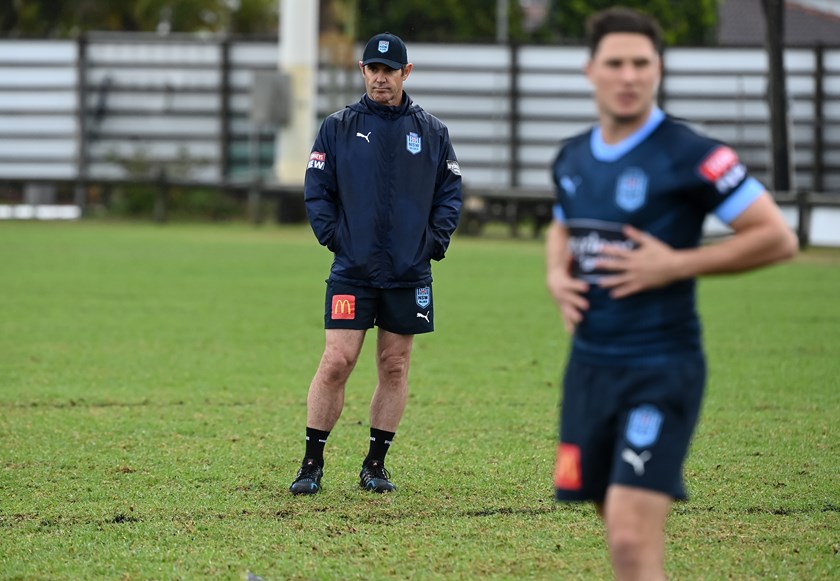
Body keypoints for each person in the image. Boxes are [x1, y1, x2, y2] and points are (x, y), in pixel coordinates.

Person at [546, 7, 797, 580]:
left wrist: (675, 264)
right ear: (590, 71)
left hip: (660, 366)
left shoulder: (690, 153)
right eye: (616, 63)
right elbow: (563, 225)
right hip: (589, 368)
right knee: (618, 531)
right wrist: (555, 275)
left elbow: (777, 237)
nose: (629, 76)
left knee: (629, 538)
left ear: (658, 69)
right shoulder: (572, 157)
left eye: (642, 63)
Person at [291, 32, 462, 495]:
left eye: (389, 70)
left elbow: (449, 193)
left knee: (394, 365)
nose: (380, 78)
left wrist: (432, 243)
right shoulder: (338, 127)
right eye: (373, 69)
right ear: (362, 71)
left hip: (409, 271)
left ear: (406, 73)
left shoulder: (432, 131)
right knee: (337, 360)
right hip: (353, 270)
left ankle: (375, 465)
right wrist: (337, 239)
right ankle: (311, 463)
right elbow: (317, 189)